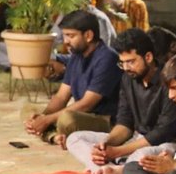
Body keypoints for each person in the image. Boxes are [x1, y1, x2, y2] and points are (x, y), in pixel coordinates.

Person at [65, 27, 176, 174]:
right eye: (122, 63)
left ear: (148, 57)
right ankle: (113, 168)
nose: (126, 68)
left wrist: (118, 151)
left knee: (144, 155)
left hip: (164, 143)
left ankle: (116, 168)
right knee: (74, 139)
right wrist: (105, 145)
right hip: (135, 139)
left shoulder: (169, 80)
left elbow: (162, 133)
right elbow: (124, 123)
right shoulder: (128, 78)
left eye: (131, 62)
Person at [23, 10, 121, 144]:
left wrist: (47, 120)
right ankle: (55, 137)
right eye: (64, 35)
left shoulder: (107, 58)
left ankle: (53, 135)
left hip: (105, 120)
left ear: (88, 35)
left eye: (70, 36)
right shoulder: (76, 56)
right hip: (82, 115)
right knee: (29, 111)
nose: (65, 41)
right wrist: (43, 117)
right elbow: (61, 97)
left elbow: (86, 104)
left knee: (66, 120)